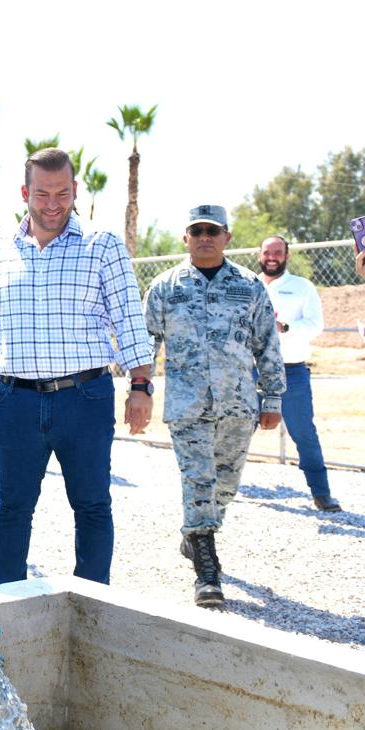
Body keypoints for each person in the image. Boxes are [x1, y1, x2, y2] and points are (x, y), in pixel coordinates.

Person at [0, 148, 154, 586]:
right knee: (9, 508)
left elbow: (127, 318)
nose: (53, 204)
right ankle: (10, 604)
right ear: (26, 193)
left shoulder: (102, 246)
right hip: (13, 400)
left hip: (84, 399)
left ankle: (91, 604)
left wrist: (141, 385)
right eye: (42, 193)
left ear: (75, 191)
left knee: (92, 505)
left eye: (62, 193)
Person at [144, 206, 285, 606]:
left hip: (238, 405)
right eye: (197, 230)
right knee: (198, 480)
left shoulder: (250, 285)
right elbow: (147, 342)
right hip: (188, 406)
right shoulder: (165, 287)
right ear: (185, 238)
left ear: (227, 237)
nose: (205, 236)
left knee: (225, 484)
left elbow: (266, 344)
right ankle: (207, 568)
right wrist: (140, 388)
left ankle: (195, 535)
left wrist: (272, 396)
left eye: (213, 230)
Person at [257, 236, 342, 512]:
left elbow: (316, 325)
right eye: (267, 252)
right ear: (259, 255)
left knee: (304, 434)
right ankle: (218, 491)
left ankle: (321, 493)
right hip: (251, 372)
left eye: (277, 253)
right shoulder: (248, 285)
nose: (272, 257)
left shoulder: (302, 287)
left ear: (287, 256)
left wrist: (285, 327)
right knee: (232, 429)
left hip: (290, 372)